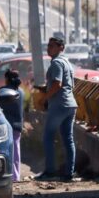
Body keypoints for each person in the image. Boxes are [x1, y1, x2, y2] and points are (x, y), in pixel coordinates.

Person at [38, 36, 78, 182]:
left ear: (61, 47)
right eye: (48, 46)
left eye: (52, 46)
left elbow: (57, 84)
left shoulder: (56, 63)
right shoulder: (67, 62)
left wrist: (44, 98)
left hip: (59, 105)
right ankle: (69, 172)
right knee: (68, 139)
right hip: (71, 104)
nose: (49, 48)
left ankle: (50, 171)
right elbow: (70, 85)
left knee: (48, 137)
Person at [0, 69, 25, 182]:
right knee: (16, 152)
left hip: (7, 126)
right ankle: (16, 176)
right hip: (18, 125)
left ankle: (10, 176)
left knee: (8, 152)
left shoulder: (4, 90)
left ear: (7, 79)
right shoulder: (21, 91)